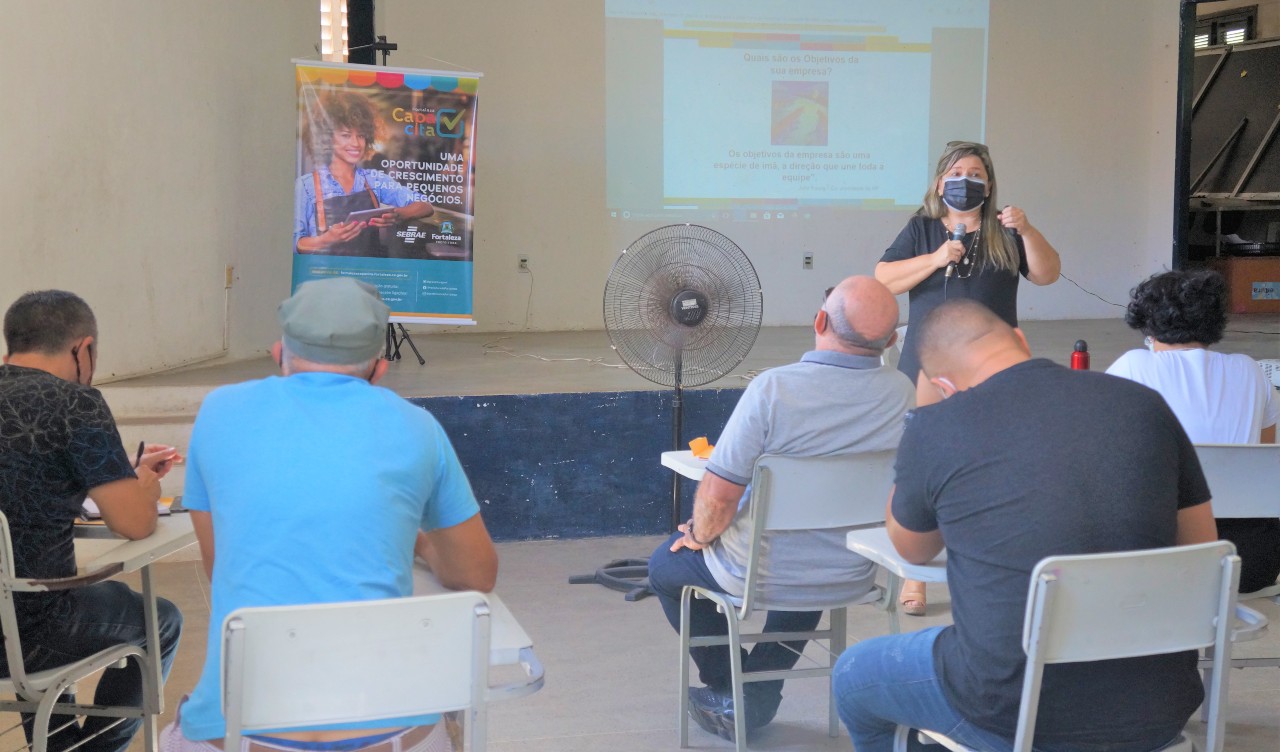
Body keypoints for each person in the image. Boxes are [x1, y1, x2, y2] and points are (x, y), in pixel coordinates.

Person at [833, 299, 1216, 752]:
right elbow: (1201, 552)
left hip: (1011, 711)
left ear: (942, 385)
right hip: (1158, 706)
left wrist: (923, 417)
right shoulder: (1144, 404)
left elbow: (910, 548)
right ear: (1020, 341)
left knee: (854, 676)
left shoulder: (939, 425)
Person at [161, 277, 497, 752]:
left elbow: (223, 568)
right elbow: (477, 573)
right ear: (379, 369)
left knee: (184, 725)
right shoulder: (418, 427)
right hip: (389, 735)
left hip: (241, 734)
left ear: (280, 353)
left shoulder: (220, 412)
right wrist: (418, 542)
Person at [648, 276, 914, 743]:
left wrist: (700, 535)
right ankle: (758, 692)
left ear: (819, 321)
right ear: (891, 341)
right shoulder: (902, 392)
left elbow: (719, 495)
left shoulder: (774, 389)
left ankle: (736, 692)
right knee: (808, 567)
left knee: (666, 566)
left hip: (756, 572)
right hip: (850, 571)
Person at [874, 140, 1061, 617]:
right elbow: (883, 279)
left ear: (990, 185)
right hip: (928, 367)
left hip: (995, 367)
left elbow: (1047, 275)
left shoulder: (1005, 231)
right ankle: (914, 578)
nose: (966, 179)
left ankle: (989, 568)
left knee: (996, 465)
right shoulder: (921, 228)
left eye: (976, 173)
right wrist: (936, 259)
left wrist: (1030, 230)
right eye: (957, 172)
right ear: (940, 183)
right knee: (923, 466)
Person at [0, 290, 183, 752]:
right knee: (159, 620)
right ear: (83, 348)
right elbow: (135, 524)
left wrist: (126, 475)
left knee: (21, 596)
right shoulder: (76, 404)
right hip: (34, 629)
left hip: (10, 619)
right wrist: (149, 485)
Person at [1107, 268, 1279, 594]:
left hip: (1162, 562)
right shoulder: (1251, 371)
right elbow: (1262, 459)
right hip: (1249, 561)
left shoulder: (1134, 366)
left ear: (1148, 323)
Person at [294, 89, 434, 256]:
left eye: (361, 136)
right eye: (346, 135)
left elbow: (425, 205)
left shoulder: (374, 180)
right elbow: (295, 243)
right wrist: (325, 240)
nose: (356, 143)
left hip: (367, 278)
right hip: (326, 278)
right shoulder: (306, 186)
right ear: (327, 138)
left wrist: (398, 215)